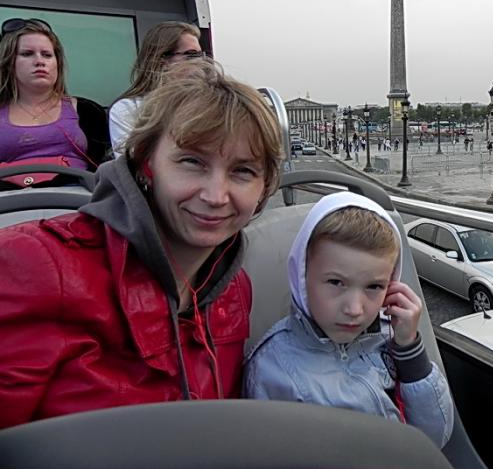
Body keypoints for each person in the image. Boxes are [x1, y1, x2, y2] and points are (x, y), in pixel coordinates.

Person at [0, 59, 283, 428]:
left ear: (264, 187)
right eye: (192, 162)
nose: (216, 196)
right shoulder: (36, 265)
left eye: (242, 171)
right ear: (146, 164)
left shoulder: (233, 289)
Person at [243, 192, 454, 448]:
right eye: (336, 282)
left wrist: (409, 350)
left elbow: (435, 436)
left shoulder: (390, 337)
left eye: (374, 287)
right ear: (302, 277)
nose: (354, 309)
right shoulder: (274, 369)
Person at [0, 17, 110, 174]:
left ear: (58, 63)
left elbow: (107, 170)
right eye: (27, 54)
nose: (39, 61)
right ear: (8, 63)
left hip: (77, 188)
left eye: (47, 55)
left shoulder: (88, 111)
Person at [109, 21, 204, 156]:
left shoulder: (207, 104)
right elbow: (131, 161)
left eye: (200, 56)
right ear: (162, 59)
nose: (200, 63)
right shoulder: (127, 109)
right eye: (191, 55)